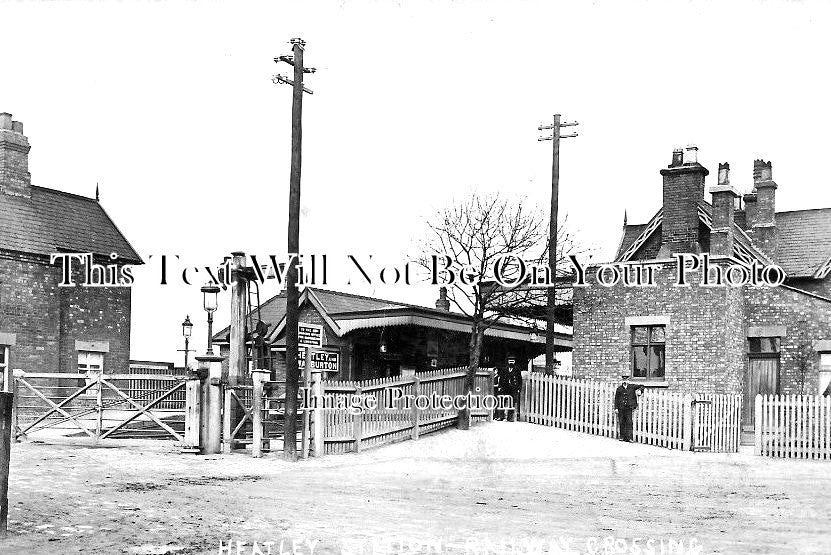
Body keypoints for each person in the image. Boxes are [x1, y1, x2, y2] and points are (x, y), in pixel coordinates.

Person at [614, 375, 643, 442]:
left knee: (629, 422)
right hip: (621, 408)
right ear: (622, 381)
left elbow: (642, 386)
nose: (625, 381)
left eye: (626, 380)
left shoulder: (632, 387)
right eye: (624, 380)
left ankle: (629, 438)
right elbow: (616, 399)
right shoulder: (619, 389)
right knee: (621, 422)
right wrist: (616, 408)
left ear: (628, 380)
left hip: (628, 408)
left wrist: (640, 391)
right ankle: (622, 437)